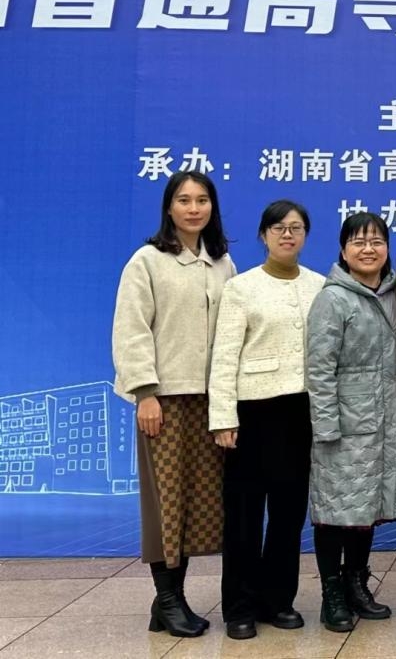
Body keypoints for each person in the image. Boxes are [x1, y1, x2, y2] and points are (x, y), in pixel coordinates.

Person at [111, 170, 235, 638]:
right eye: (184, 200)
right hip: (163, 399)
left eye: (202, 200)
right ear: (168, 207)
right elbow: (131, 329)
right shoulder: (147, 261)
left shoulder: (222, 263)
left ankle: (170, 601)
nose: (193, 208)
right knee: (165, 500)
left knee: (196, 502)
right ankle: (167, 598)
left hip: (209, 400)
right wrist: (145, 392)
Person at [208, 200, 324, 640]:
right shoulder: (241, 287)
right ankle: (239, 606)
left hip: (301, 411)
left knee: (288, 513)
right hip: (252, 412)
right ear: (263, 235)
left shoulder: (319, 285)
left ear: (305, 235)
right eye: (278, 228)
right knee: (244, 514)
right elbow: (224, 357)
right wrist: (223, 417)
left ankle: (279, 600)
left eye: (295, 228)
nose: (287, 235)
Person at [306, 212, 396, 632]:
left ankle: (356, 583)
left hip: (386, 418)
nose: (368, 249)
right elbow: (319, 368)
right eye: (358, 242)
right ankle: (331, 593)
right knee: (334, 510)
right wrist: (326, 426)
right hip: (345, 423)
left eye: (376, 241)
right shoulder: (332, 298)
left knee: (366, 507)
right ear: (343, 250)